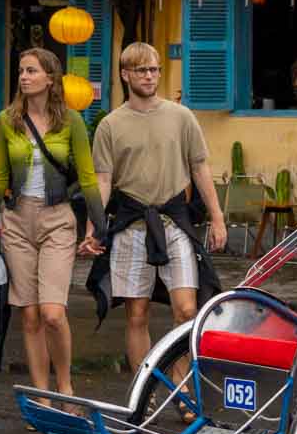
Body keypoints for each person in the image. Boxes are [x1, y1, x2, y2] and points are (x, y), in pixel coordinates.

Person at [85, 42, 226, 371]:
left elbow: (200, 168)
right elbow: (103, 181)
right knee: (136, 314)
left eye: (154, 69)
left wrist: (217, 218)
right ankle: (143, 395)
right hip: (131, 226)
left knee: (188, 310)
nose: (150, 76)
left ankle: (181, 388)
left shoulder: (181, 116)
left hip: (175, 224)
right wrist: (93, 227)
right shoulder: (110, 125)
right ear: (125, 74)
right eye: (141, 70)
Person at [0, 48, 107, 404]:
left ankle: (65, 385)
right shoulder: (7, 120)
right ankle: (41, 395)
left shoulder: (72, 123)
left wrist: (99, 227)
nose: (23, 76)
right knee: (30, 314)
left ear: (50, 79)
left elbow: (88, 178)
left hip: (57, 220)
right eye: (21, 71)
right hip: (16, 221)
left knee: (52, 313)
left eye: (31, 71)